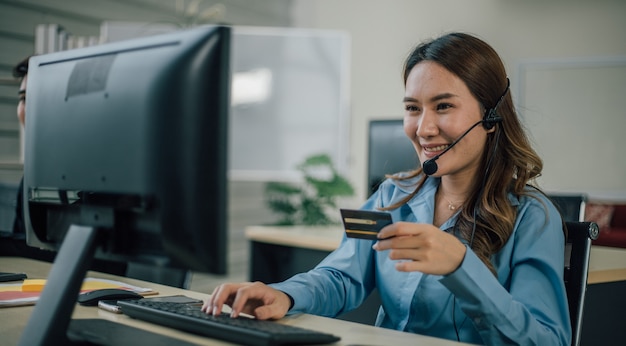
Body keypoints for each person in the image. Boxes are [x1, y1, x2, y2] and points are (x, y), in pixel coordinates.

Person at [204, 32, 571, 345]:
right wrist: (283, 294)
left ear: (490, 117)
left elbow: (546, 339)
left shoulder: (532, 217)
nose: (423, 129)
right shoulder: (394, 195)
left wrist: (461, 266)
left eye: (443, 106)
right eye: (413, 108)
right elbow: (341, 276)